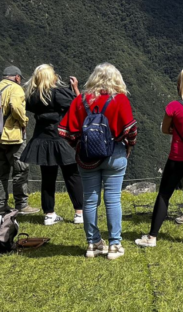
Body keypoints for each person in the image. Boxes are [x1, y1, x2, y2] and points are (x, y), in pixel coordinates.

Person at [59, 63, 137, 260]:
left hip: (86, 158)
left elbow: (65, 131)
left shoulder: (80, 100)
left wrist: (77, 146)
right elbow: (131, 129)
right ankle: (114, 245)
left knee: (90, 200)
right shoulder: (120, 99)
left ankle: (93, 244)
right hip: (115, 154)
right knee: (112, 199)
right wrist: (129, 146)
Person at [136, 69, 183, 248]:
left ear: (179, 85)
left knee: (164, 194)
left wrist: (177, 129)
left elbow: (164, 129)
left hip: (179, 157)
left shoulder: (174, 107)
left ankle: (152, 237)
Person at [21, 65, 84, 225]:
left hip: (41, 139)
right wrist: (75, 88)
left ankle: (49, 214)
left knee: (48, 178)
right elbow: (78, 105)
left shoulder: (32, 96)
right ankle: (79, 212)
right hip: (60, 138)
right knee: (72, 175)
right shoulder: (57, 92)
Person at [0, 66, 39, 215]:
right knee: (20, 170)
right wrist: (24, 120)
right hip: (12, 137)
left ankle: (1, 206)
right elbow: (15, 106)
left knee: (1, 173)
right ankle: (21, 205)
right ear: (17, 77)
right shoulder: (16, 89)